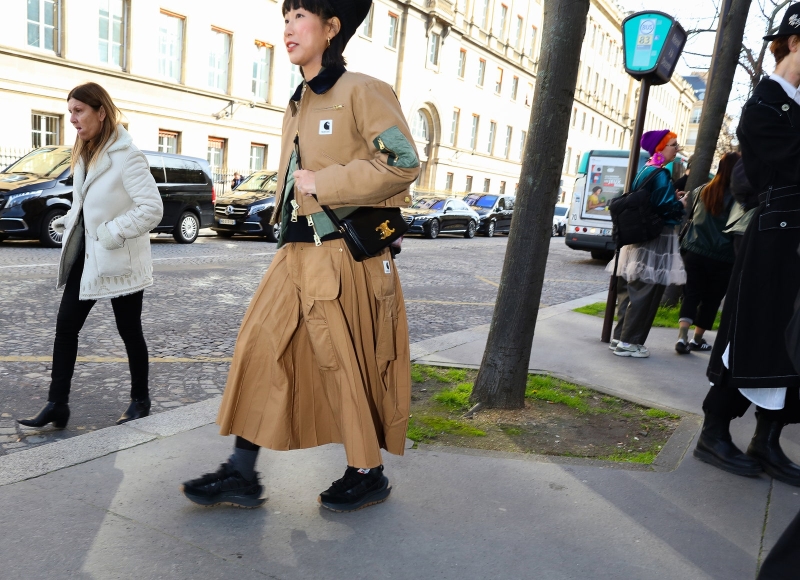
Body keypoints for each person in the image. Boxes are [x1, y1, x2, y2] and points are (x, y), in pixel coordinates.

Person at [180, 0, 420, 512]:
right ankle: (242, 473)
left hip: (338, 257)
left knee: (340, 363)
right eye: (285, 18)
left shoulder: (361, 90)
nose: (288, 29)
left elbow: (403, 162)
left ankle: (367, 470)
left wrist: (325, 182)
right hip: (294, 252)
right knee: (259, 348)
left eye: (300, 17)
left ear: (331, 28)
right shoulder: (299, 101)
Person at [17, 82, 163, 430]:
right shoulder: (86, 150)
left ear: (101, 111)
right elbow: (87, 203)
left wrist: (112, 231)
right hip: (88, 255)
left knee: (129, 330)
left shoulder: (127, 156)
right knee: (66, 327)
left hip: (119, 258)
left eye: (79, 110)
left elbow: (152, 208)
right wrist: (72, 221)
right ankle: (57, 404)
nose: (72, 119)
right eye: (70, 111)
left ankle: (140, 399)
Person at [695, 6, 800, 487]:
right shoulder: (763, 105)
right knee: (752, 333)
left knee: (794, 343)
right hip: (776, 239)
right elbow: (787, 164)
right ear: (795, 42)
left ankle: (767, 439)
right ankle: (713, 431)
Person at [607, 129, 686, 358]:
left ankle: (619, 338)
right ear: (660, 147)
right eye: (673, 144)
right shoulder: (660, 173)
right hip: (656, 238)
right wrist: (681, 203)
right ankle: (629, 342)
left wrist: (673, 196)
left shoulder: (647, 169)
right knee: (646, 290)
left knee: (631, 289)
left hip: (638, 236)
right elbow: (665, 208)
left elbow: (653, 199)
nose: (676, 148)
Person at [675, 151, 740, 355]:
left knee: (691, 294)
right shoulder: (740, 197)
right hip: (724, 257)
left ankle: (682, 336)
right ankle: (697, 339)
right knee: (712, 299)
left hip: (694, 252)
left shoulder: (701, 190)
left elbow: (688, 214)